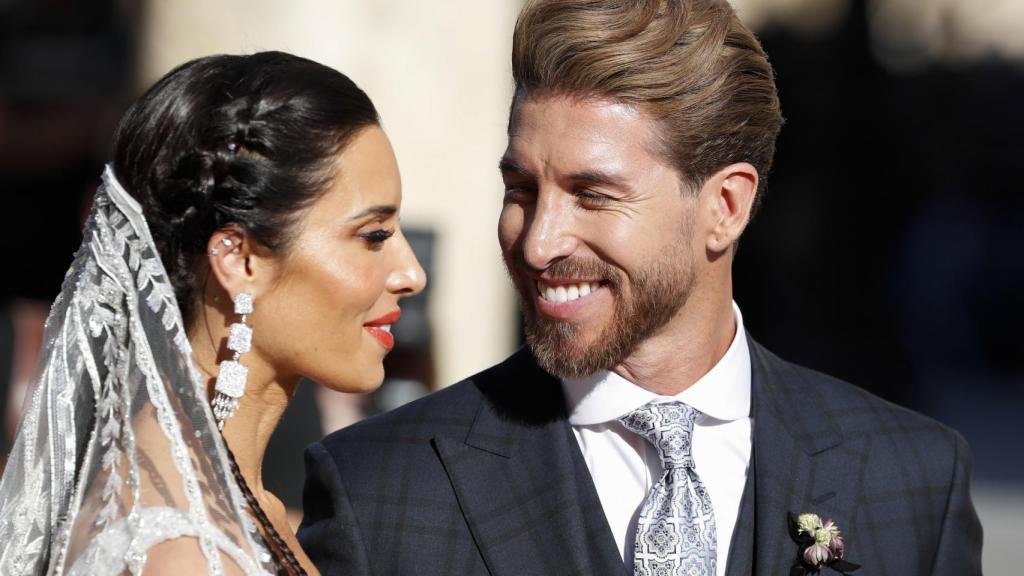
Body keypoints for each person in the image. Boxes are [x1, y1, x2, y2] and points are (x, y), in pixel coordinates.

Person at [298, 1, 984, 575]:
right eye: (520, 190)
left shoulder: (913, 476)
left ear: (725, 208)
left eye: (592, 195)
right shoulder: (382, 487)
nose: (539, 242)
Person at [0, 51, 425, 575]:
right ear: (241, 260)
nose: (411, 273)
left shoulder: (242, 506)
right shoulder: (183, 554)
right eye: (373, 236)